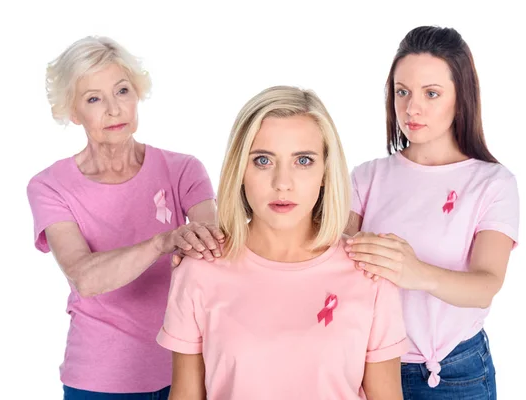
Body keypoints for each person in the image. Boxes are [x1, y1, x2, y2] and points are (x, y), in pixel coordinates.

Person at [157, 85, 408, 400]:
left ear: (325, 172)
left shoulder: (368, 273)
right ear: (240, 170)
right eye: (263, 160)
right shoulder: (198, 271)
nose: (282, 183)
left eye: (303, 161)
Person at [26, 35, 224, 399]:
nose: (114, 109)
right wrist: (163, 241)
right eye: (93, 99)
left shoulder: (183, 169)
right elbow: (84, 276)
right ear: (73, 111)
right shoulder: (49, 186)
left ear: (137, 94)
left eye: (122, 91)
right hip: (99, 378)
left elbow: (216, 249)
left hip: (187, 366)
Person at [345, 26, 519, 399]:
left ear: (462, 98)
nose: (412, 108)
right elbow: (328, 263)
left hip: (452, 374)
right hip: (369, 367)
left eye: (432, 93)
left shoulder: (492, 183)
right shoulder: (366, 177)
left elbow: (487, 284)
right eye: (402, 91)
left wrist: (416, 273)